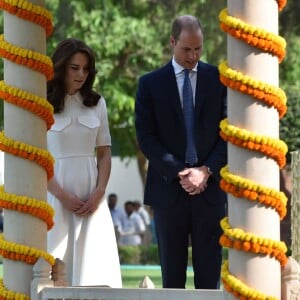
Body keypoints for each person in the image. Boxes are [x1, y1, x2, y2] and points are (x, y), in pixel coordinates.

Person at [135, 15, 227, 289]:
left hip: (210, 192)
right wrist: (181, 172)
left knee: (209, 278)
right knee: (172, 280)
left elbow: (229, 133)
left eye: (198, 49)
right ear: (172, 42)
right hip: (168, 192)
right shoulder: (149, 84)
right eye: (187, 49)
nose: (193, 55)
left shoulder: (219, 79)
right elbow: (146, 137)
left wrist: (206, 170)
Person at [46, 38, 122, 287]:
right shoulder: (43, 103)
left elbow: (104, 152)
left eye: (86, 69)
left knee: (94, 267)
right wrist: (60, 194)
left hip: (92, 195)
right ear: (62, 67)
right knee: (57, 269)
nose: (81, 74)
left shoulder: (97, 103)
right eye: (75, 67)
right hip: (55, 194)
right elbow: (37, 155)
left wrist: (99, 192)